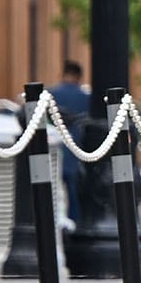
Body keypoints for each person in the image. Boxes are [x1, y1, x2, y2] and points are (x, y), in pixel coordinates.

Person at [47, 60, 94, 237]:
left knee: (52, 194)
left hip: (53, 150)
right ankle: (74, 230)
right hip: (76, 151)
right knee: (73, 195)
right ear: (78, 77)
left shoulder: (50, 94)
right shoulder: (86, 97)